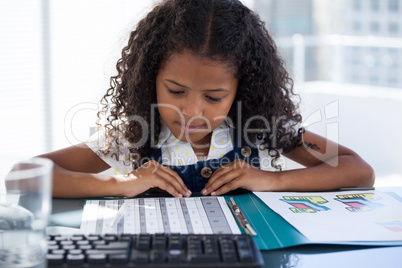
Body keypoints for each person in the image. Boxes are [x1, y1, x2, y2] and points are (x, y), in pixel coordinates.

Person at [39, 0, 374, 198]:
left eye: (214, 97)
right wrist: (117, 182)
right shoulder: (132, 137)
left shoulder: (261, 128)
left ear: (241, 90)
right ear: (149, 78)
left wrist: (275, 179)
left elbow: (358, 170)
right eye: (175, 91)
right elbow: (26, 173)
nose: (191, 112)